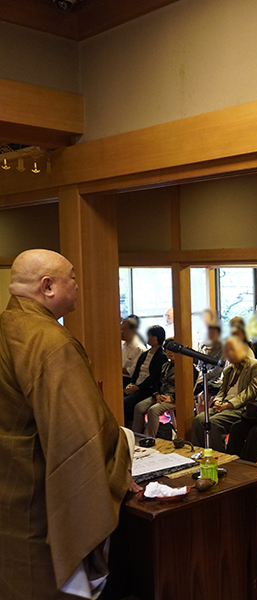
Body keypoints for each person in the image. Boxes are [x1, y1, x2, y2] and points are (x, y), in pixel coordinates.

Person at [0, 249, 137, 600]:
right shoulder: (49, 341)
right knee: (42, 583)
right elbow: (80, 435)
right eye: (72, 277)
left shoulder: (7, 326)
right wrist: (121, 449)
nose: (77, 284)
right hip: (38, 501)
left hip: (10, 487)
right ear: (47, 286)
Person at [191, 336, 257, 450]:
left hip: (242, 407)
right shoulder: (228, 370)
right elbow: (222, 391)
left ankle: (220, 455)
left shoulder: (256, 365)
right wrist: (218, 401)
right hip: (224, 404)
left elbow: (251, 391)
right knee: (198, 420)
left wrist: (229, 404)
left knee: (214, 423)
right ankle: (200, 451)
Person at [131, 339, 198, 437]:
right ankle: (136, 436)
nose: (170, 352)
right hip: (161, 395)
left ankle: (151, 438)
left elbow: (188, 388)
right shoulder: (165, 365)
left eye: (173, 350)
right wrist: (157, 394)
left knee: (153, 410)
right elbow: (157, 382)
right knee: (139, 407)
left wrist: (171, 398)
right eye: (168, 349)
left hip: (175, 398)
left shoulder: (188, 367)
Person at [123, 325, 168, 424]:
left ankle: (130, 425)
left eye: (153, 336)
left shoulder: (162, 356)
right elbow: (136, 372)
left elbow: (153, 377)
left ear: (159, 337)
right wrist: (131, 383)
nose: (149, 338)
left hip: (148, 388)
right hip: (137, 385)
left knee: (126, 402)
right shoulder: (145, 354)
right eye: (149, 335)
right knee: (118, 396)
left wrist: (137, 387)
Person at [121, 315, 146, 387]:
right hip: (119, 378)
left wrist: (116, 369)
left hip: (130, 382)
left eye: (124, 329)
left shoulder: (139, 349)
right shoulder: (121, 345)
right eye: (120, 329)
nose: (121, 332)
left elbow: (132, 371)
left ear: (134, 330)